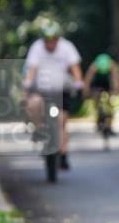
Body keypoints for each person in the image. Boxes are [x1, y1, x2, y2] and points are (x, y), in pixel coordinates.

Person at [23, 19, 83, 170]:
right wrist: (27, 84)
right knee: (33, 104)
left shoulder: (67, 47)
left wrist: (78, 83)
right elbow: (32, 69)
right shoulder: (37, 47)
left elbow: (75, 68)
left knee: (62, 121)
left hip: (61, 91)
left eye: (53, 40)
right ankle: (38, 130)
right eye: (47, 41)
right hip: (41, 90)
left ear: (58, 38)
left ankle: (63, 154)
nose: (50, 44)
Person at [83, 52, 119, 137]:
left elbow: (116, 79)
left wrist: (116, 91)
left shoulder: (112, 65)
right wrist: (86, 91)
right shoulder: (94, 66)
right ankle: (98, 119)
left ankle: (109, 126)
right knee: (96, 100)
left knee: (110, 105)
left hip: (107, 82)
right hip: (97, 83)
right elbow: (88, 79)